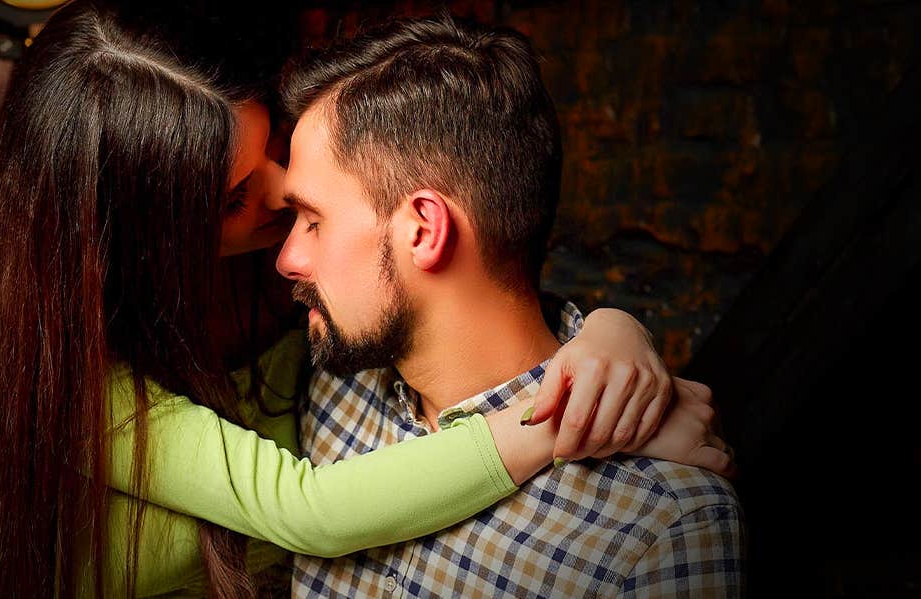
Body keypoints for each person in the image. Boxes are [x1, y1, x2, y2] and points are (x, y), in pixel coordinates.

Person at [0, 2, 736, 597]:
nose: (279, 208)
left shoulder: (313, 331)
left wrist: (608, 338)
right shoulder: (81, 380)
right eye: (245, 197)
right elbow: (308, 509)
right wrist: (562, 423)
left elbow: (472, 293)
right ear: (155, 236)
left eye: (272, 149)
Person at [275, 14, 744, 598]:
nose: (287, 257)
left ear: (424, 230)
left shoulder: (660, 525)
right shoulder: (321, 383)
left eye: (314, 221)